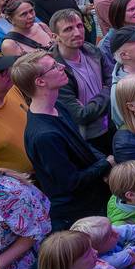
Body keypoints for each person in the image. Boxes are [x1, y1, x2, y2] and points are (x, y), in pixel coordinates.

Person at [15, 50, 113, 231]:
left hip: (94, 197)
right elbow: (70, 183)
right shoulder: (45, 136)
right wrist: (105, 164)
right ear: (40, 81)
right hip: (79, 213)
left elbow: (82, 146)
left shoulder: (58, 106)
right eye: (54, 67)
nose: (62, 67)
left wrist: (103, 163)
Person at [51, 9, 115, 154]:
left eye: (79, 26)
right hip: (89, 139)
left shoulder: (92, 50)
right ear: (55, 37)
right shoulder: (55, 70)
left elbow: (114, 81)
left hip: (112, 123)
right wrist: (107, 90)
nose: (77, 32)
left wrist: (106, 91)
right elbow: (81, 115)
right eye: (68, 29)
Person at [70, 215, 135, 269]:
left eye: (111, 226)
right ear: (96, 249)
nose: (116, 232)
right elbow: (133, 254)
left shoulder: (110, 230)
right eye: (110, 235)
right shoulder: (105, 263)